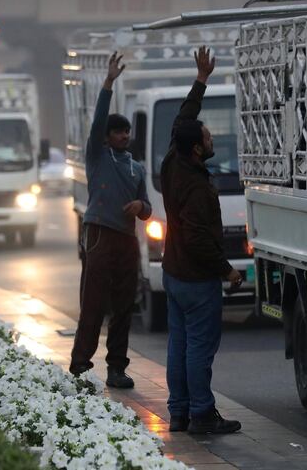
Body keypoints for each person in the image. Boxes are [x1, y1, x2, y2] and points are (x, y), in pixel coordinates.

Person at [160, 46, 243, 435]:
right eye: (208, 138)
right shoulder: (195, 186)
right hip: (195, 278)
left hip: (174, 273)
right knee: (199, 349)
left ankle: (178, 412)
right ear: (198, 149)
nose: (212, 140)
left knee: (179, 345)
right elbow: (196, 237)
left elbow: (183, 120)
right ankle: (202, 413)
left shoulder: (172, 161)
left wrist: (201, 81)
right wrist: (226, 270)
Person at [69, 52, 152, 389]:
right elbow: (97, 120)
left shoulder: (136, 168)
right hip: (100, 236)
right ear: (105, 138)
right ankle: (80, 367)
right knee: (93, 304)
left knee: (124, 307)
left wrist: (140, 207)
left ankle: (117, 368)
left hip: (127, 241)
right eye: (117, 132)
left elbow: (147, 208)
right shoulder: (97, 157)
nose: (123, 136)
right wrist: (108, 83)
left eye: (126, 132)